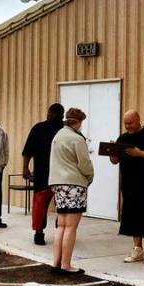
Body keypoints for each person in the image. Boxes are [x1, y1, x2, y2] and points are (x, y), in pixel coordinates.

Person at [111, 110, 144, 266]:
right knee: (133, 215)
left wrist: (139, 153)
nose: (128, 126)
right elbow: (115, 161)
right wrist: (112, 153)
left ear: (138, 120)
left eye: (130, 123)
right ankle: (137, 249)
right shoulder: (123, 138)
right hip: (129, 184)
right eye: (125, 123)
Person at [48, 107, 94, 275]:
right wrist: (90, 177)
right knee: (71, 227)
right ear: (79, 122)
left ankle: (56, 262)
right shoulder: (77, 139)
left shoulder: (57, 136)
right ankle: (66, 265)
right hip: (74, 184)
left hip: (58, 184)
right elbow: (84, 164)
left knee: (61, 225)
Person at [22, 103, 65, 246]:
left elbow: (28, 151)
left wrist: (25, 168)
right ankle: (59, 231)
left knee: (40, 204)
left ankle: (39, 233)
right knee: (61, 204)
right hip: (59, 174)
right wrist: (25, 168)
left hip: (44, 173)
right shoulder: (64, 130)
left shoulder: (39, 128)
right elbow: (28, 151)